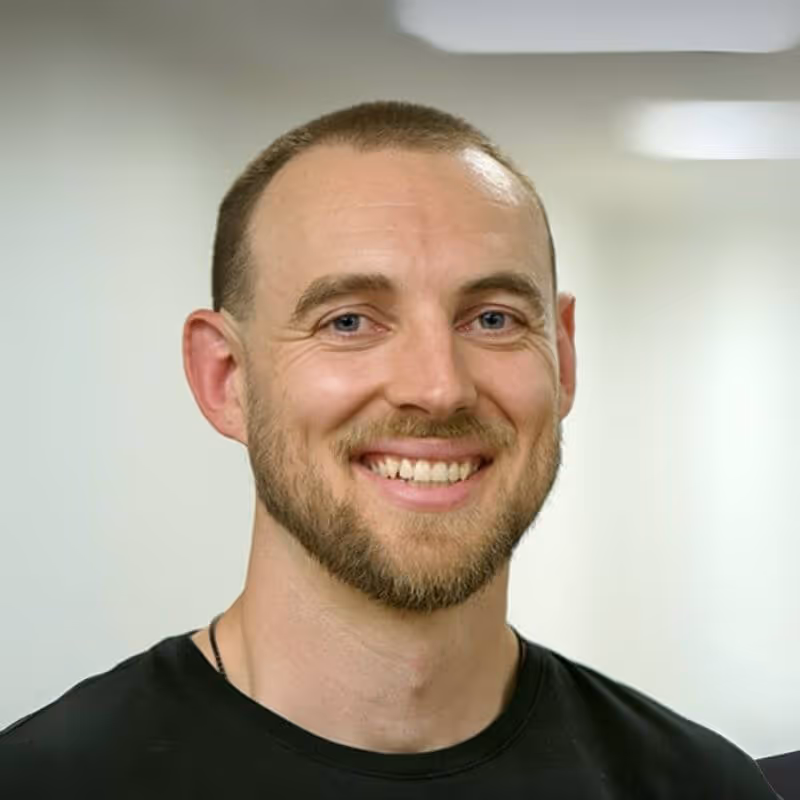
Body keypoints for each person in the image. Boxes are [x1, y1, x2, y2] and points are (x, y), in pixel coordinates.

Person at [0, 101, 780, 798]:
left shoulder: (697, 784)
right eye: (349, 321)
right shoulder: (46, 782)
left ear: (564, 358)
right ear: (225, 378)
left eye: (494, 319)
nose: (439, 388)